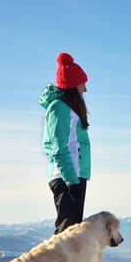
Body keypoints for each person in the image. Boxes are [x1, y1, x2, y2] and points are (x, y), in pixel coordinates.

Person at [39, 52, 91, 234]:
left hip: (73, 175)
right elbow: (58, 149)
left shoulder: (68, 108)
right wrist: (72, 182)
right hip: (66, 177)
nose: (85, 89)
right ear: (73, 85)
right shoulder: (59, 108)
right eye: (83, 83)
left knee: (72, 237)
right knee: (66, 237)